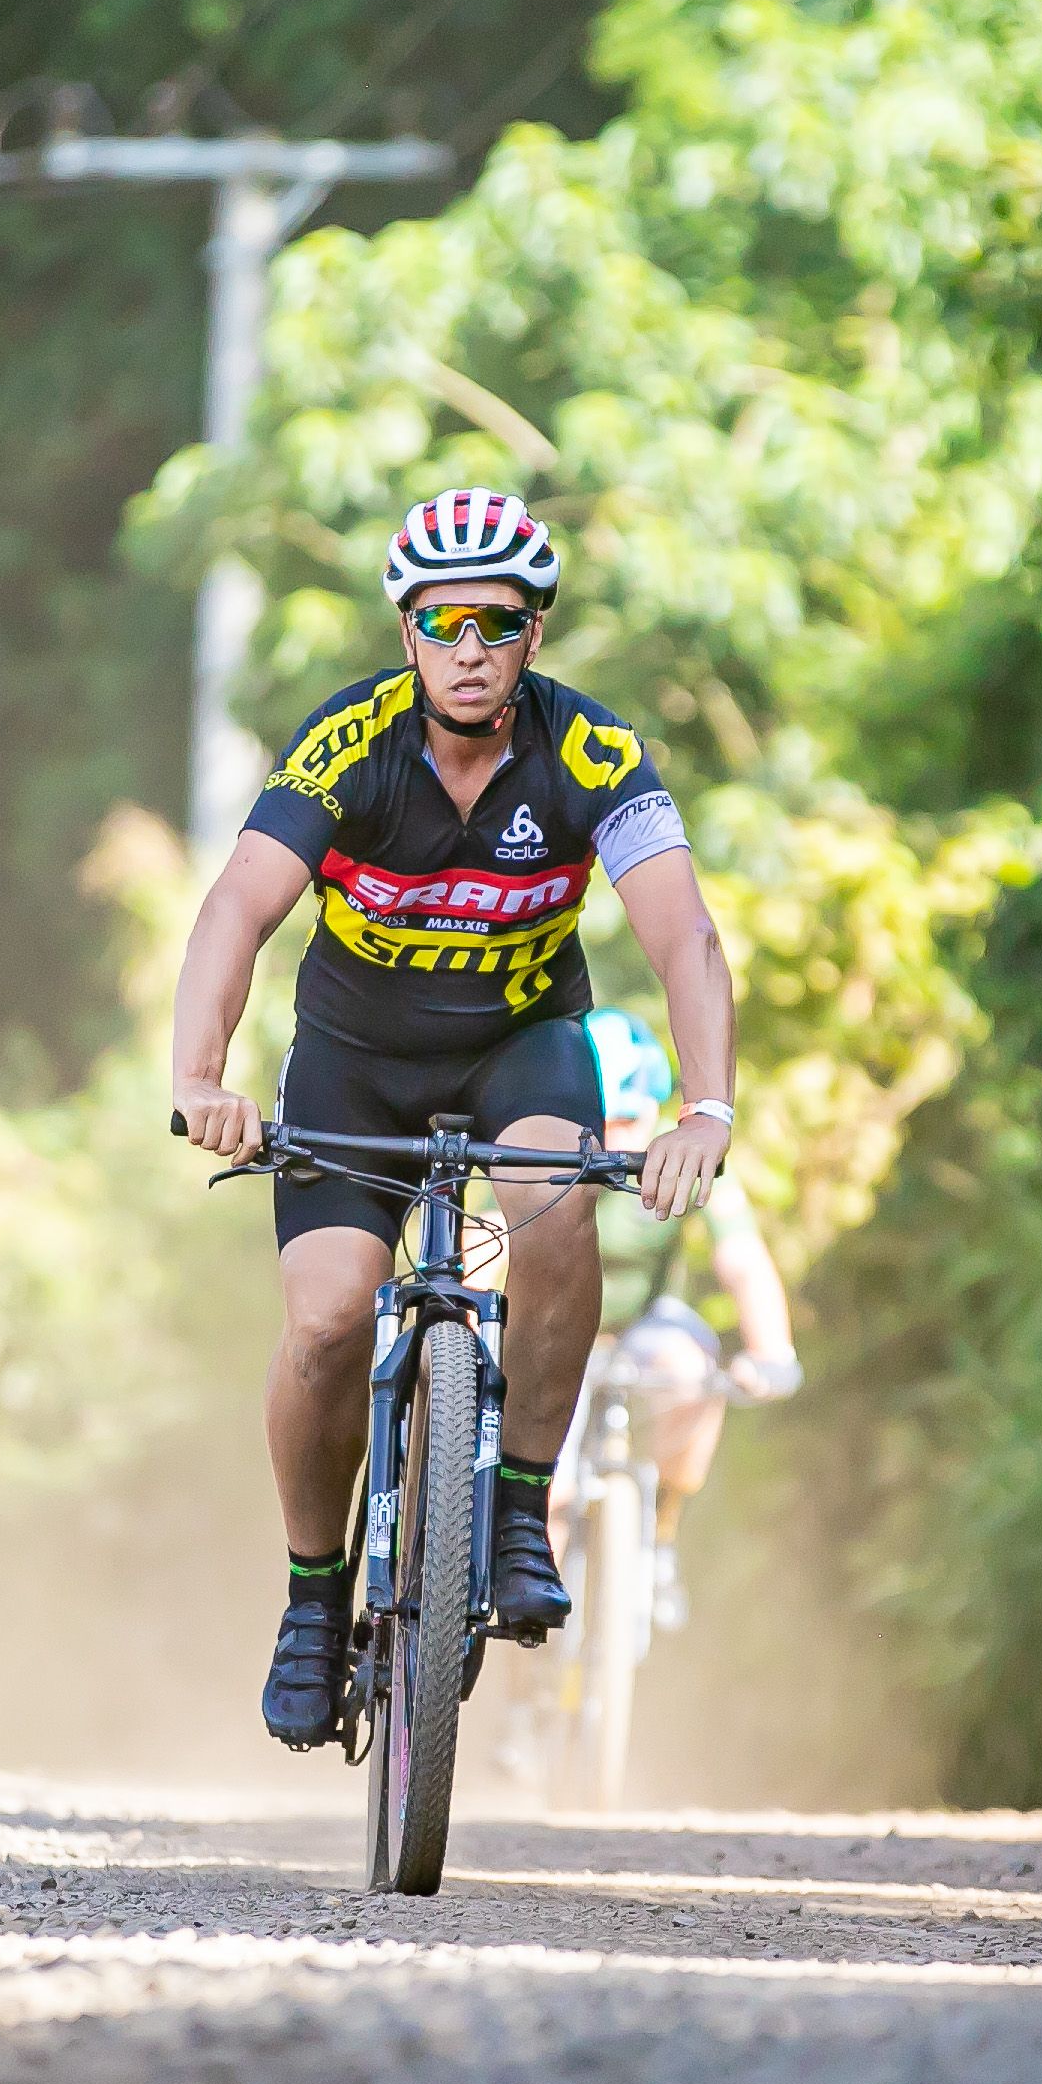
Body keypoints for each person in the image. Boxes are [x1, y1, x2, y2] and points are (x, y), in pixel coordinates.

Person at [168, 485, 744, 1750]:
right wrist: (202, 1079)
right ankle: (313, 1601)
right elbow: (236, 910)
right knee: (327, 1321)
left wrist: (706, 1106)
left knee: (555, 1213)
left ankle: (521, 1512)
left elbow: (683, 935)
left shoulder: (595, 754)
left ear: (536, 633)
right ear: (408, 632)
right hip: (355, 1062)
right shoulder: (350, 743)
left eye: (498, 622)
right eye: (443, 623)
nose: (469, 650)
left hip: (517, 1050)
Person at [561, 1003, 798, 1618]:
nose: (616, 1138)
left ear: (654, 1110)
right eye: (601, 1120)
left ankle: (661, 1531)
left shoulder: (680, 1155)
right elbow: (481, 1251)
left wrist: (772, 1352)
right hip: (552, 1329)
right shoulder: (540, 1148)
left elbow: (742, 1259)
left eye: (630, 1119)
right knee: (551, 1493)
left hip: (641, 1324)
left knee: (692, 1371)